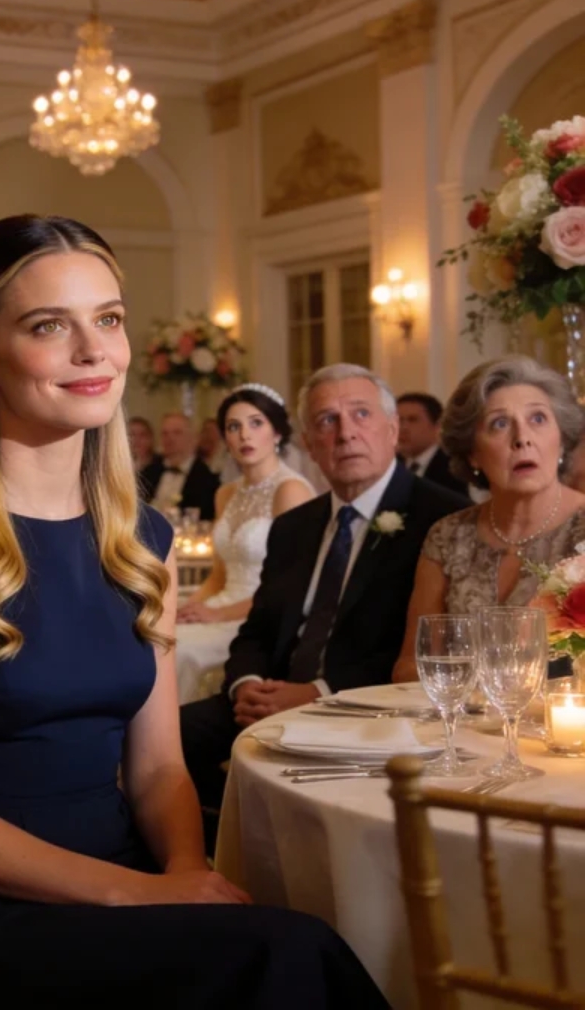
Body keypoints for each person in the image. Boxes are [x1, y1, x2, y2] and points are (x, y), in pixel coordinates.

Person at [0, 216, 388, 1009]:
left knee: (301, 943)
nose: (94, 350)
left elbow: (160, 767)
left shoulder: (141, 541)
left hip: (122, 874)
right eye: (48, 326)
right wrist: (142, 896)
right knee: (285, 958)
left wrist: (184, 873)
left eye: (108, 319)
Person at [181, 363, 467, 850]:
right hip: (268, 696)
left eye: (361, 414)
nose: (346, 432)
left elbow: (425, 648)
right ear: (310, 445)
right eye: (327, 420)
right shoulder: (294, 525)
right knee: (167, 739)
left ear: (392, 429)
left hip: (368, 709)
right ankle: (223, 857)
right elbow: (257, 628)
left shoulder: (440, 517)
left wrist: (318, 691)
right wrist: (246, 685)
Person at [394, 356, 585, 681]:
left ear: (562, 439)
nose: (522, 438)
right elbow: (411, 667)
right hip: (458, 712)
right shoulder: (448, 535)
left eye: (538, 418)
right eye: (499, 424)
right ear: (473, 453)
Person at [172, 385, 314, 703]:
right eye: (233, 427)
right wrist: (189, 608)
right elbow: (218, 577)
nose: (244, 435)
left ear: (277, 432)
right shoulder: (225, 494)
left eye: (256, 423)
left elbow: (291, 589)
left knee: (178, 650)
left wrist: (217, 615)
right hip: (222, 604)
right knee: (156, 635)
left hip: (259, 619)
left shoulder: (290, 491)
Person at [140, 412, 219, 521]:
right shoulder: (148, 473)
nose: (170, 438)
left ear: (194, 438)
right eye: (165, 433)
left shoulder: (208, 480)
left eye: (177, 433)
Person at [396, 392, 470, 497]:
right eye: (399, 420)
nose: (403, 427)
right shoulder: (392, 464)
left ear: (438, 425)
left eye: (412, 420)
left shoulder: (454, 466)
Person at [127, 415, 157, 501]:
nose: (137, 440)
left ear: (151, 438)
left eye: (142, 435)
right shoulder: (117, 465)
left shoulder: (161, 466)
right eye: (132, 435)